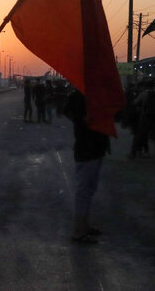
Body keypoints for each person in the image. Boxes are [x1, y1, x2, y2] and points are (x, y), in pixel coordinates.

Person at [63, 90, 109, 244]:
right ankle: (78, 231)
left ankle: (84, 225)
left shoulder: (96, 94)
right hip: (86, 148)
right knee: (83, 191)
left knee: (90, 190)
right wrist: (82, 121)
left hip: (98, 147)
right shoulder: (79, 94)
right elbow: (67, 111)